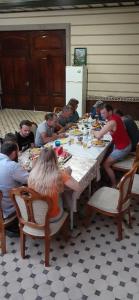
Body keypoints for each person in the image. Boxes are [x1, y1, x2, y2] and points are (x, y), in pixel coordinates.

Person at [28, 148, 81, 222]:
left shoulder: (32, 173)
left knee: (57, 193)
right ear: (55, 160)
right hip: (52, 216)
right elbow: (78, 187)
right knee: (64, 195)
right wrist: (68, 174)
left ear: (39, 160)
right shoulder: (60, 175)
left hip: (35, 214)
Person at [92, 104, 131, 187]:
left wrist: (93, 132)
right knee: (106, 151)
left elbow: (98, 136)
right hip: (125, 143)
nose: (101, 115)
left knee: (105, 164)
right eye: (101, 113)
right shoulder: (116, 117)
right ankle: (103, 175)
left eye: (103, 113)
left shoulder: (111, 122)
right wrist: (112, 132)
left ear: (110, 112)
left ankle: (114, 185)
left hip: (123, 148)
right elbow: (123, 128)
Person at [0, 142, 29, 219]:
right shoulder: (11, 166)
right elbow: (29, 180)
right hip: (11, 208)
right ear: (13, 153)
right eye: (17, 152)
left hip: (2, 207)